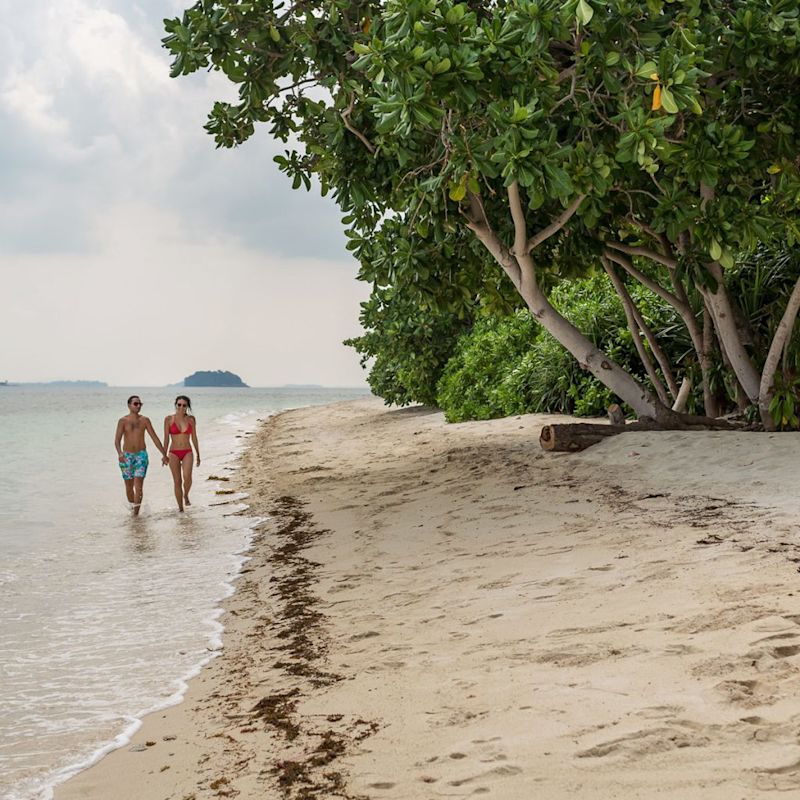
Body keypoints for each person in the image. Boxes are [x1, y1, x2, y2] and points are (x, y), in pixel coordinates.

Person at [114, 395, 168, 515]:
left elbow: (154, 438)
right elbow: (117, 440)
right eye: (135, 404)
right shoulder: (123, 421)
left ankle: (135, 515)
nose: (138, 406)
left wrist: (164, 454)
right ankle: (134, 507)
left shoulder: (145, 420)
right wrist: (120, 453)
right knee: (129, 488)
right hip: (126, 456)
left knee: (138, 486)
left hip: (141, 456)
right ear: (129, 405)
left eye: (140, 404)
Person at [164, 395, 201, 512]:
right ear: (176, 405)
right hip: (173, 452)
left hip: (187, 451)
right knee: (177, 481)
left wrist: (198, 454)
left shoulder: (191, 420)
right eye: (179, 404)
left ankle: (186, 495)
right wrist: (164, 455)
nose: (181, 407)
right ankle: (181, 509)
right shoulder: (169, 419)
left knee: (187, 477)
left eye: (184, 405)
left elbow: (194, 437)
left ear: (187, 407)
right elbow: (166, 439)